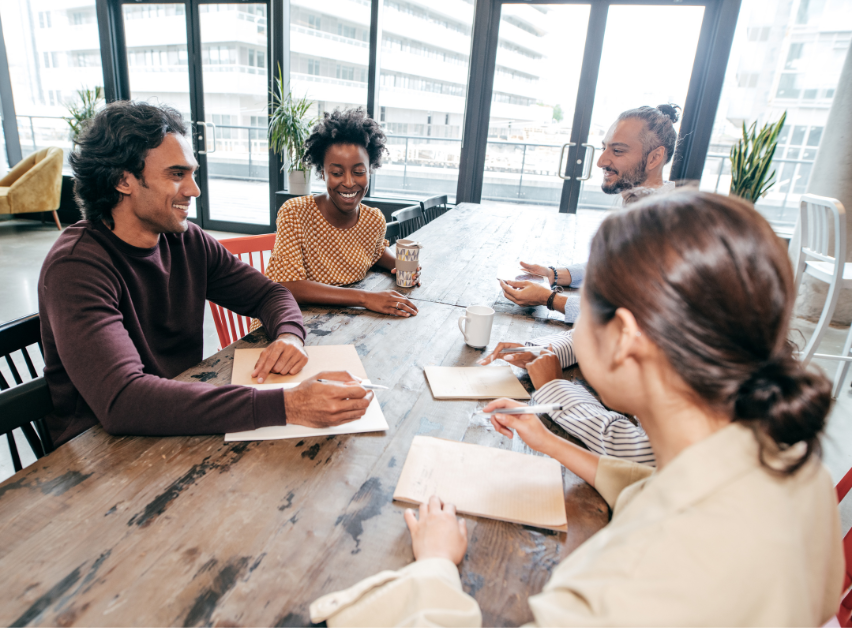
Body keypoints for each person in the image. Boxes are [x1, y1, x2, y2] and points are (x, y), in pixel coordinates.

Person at [309, 191, 843, 626]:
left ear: (625, 337)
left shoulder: (624, 584)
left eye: (581, 307)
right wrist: (556, 446)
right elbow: (654, 488)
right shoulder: (798, 473)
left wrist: (433, 569)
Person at [39, 101, 373, 447]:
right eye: (176, 174)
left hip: (178, 420)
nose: (194, 190)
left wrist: (289, 335)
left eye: (192, 174)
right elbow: (123, 399)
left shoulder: (185, 240)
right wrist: (288, 404)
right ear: (124, 180)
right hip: (98, 453)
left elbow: (270, 294)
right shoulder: (76, 267)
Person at [499, 104, 682, 319]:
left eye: (618, 151)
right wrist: (554, 274)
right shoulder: (645, 205)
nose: (601, 161)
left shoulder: (664, 226)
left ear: (654, 157)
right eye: (604, 148)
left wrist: (549, 299)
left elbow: (624, 315)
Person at [258, 108, 418, 323]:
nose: (349, 182)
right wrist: (366, 298)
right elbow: (289, 285)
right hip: (289, 323)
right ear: (322, 172)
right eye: (336, 173)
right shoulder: (295, 212)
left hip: (339, 323)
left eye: (359, 172)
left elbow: (375, 251)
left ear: (370, 170)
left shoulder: (374, 220)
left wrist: (399, 265)